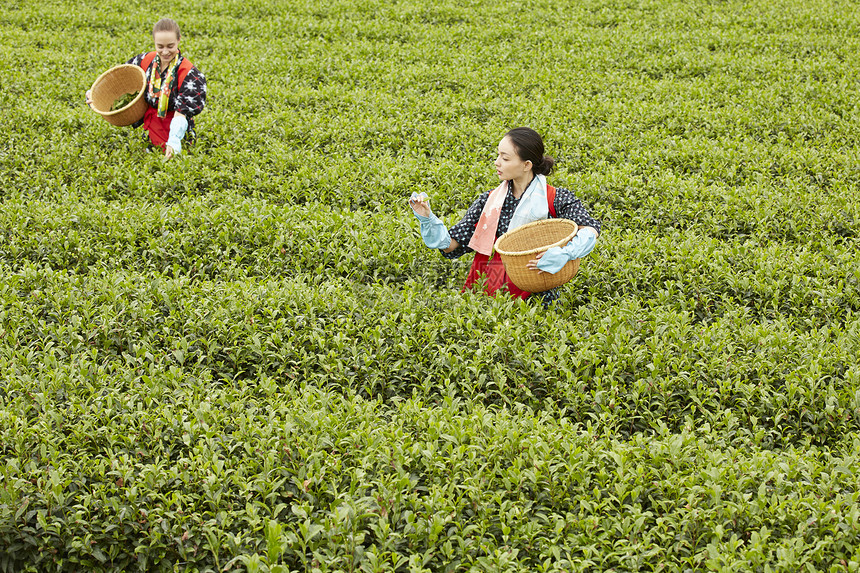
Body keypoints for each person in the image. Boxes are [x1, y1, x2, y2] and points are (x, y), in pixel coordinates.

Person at [409, 127, 601, 306]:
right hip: (492, 285)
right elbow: (452, 243)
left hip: (539, 286)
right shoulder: (490, 200)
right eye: (498, 155)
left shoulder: (556, 198)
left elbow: (590, 230)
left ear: (526, 165)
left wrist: (565, 253)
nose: (497, 162)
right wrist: (428, 218)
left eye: (505, 158)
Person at [86, 18, 207, 161]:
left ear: (179, 40)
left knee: (174, 163)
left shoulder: (189, 73)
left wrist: (174, 141)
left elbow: (181, 114)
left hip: (176, 129)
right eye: (160, 46)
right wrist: (94, 93)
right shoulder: (145, 60)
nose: (165, 51)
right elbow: (120, 78)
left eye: (170, 46)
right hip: (151, 128)